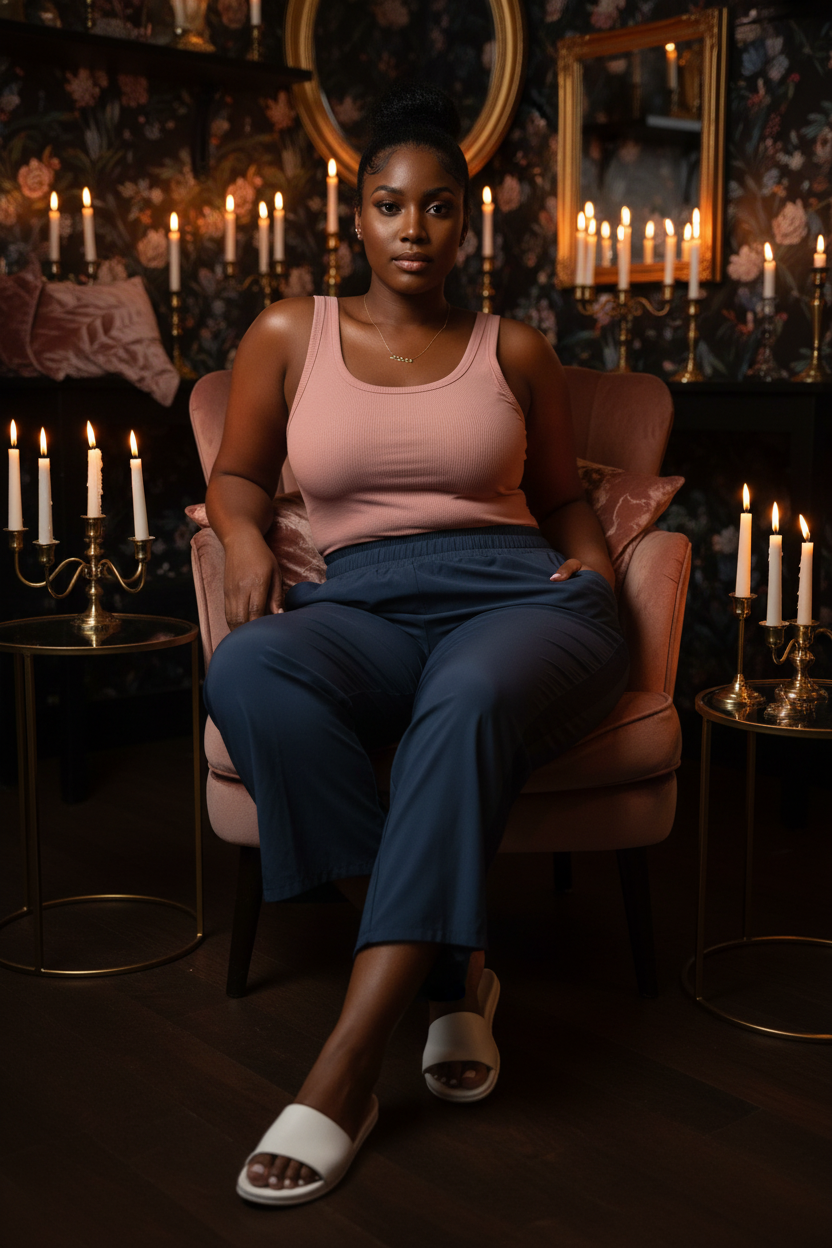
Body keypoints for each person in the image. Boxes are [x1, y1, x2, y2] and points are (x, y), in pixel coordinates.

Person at [203, 83, 629, 1208]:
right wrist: (243, 538)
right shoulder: (290, 332)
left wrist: (597, 571)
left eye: (438, 207)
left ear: (465, 224)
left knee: (469, 695)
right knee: (249, 666)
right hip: (363, 608)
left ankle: (345, 1070)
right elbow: (238, 473)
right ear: (356, 218)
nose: (412, 228)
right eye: (389, 205)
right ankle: (451, 973)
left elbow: (559, 498)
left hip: (518, 601)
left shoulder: (515, 349)